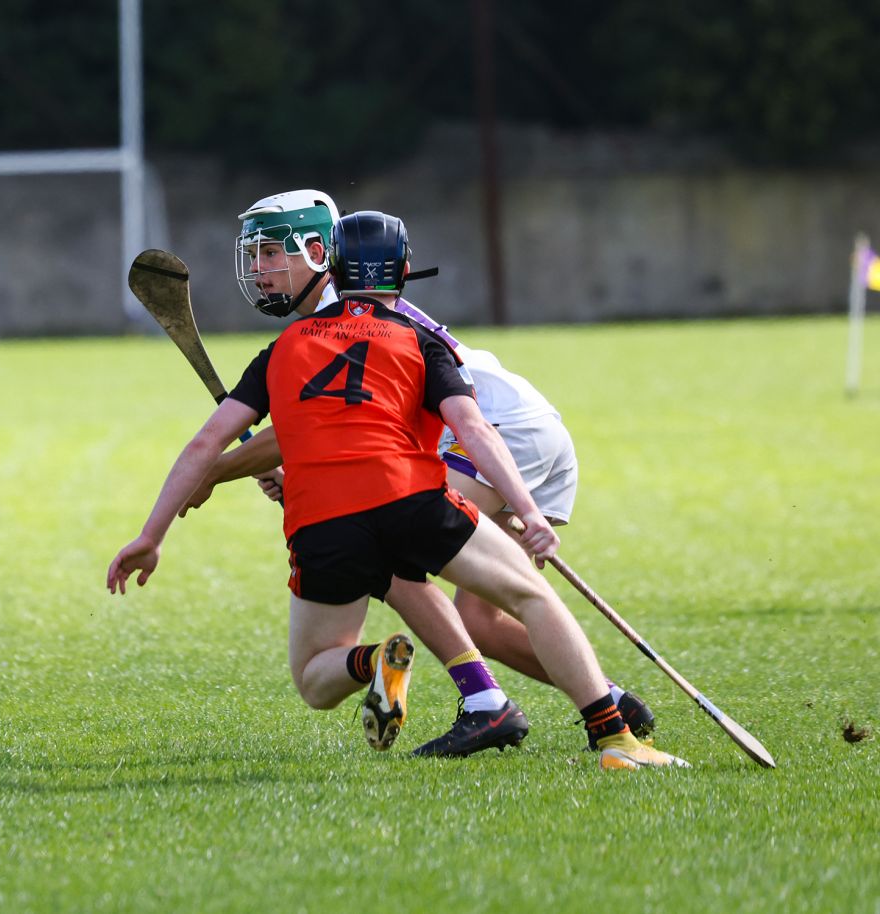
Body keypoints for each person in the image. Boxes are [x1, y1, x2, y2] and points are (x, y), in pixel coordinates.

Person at [109, 209, 687, 771]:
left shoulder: (285, 347)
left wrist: (156, 529)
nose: (260, 268)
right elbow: (450, 426)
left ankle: (419, 676)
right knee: (515, 599)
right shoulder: (411, 335)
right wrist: (529, 513)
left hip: (356, 507)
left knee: (324, 666)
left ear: (325, 261)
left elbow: (222, 444)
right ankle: (610, 725)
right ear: (403, 271)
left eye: (270, 252)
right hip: (417, 487)